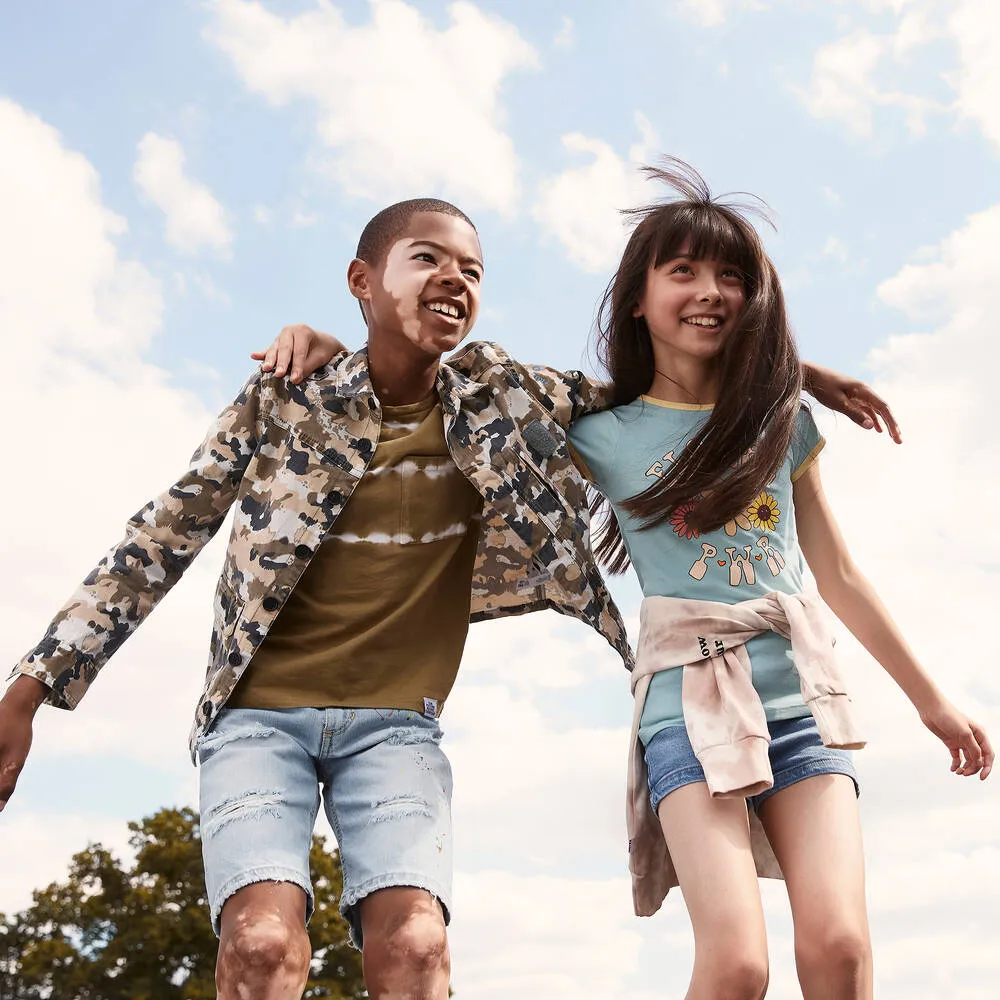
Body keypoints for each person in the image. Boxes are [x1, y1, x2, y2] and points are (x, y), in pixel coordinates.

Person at [1, 194, 894, 1000]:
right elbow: (159, 538)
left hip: (396, 727)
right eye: (427, 257)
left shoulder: (501, 398)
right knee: (265, 948)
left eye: (472, 270)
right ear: (363, 279)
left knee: (417, 950)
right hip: (255, 722)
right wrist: (30, 690)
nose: (454, 279)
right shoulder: (285, 399)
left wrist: (797, 372)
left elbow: (659, 388)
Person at [563, 161, 992, 1000]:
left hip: (801, 701)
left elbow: (837, 570)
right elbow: (466, 398)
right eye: (682, 271)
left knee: (839, 948)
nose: (709, 291)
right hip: (686, 709)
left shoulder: (781, 424)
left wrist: (930, 699)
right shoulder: (598, 432)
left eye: (730, 274)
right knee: (737, 966)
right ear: (638, 297)